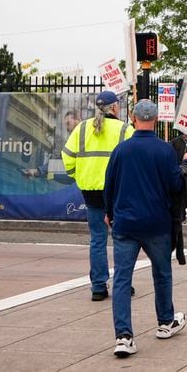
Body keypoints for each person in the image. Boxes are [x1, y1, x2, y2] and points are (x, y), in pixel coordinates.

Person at [103, 99, 187, 357]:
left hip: (126, 222)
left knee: (121, 278)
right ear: (155, 120)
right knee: (162, 273)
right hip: (156, 222)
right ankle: (165, 321)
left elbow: (109, 184)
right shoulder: (164, 151)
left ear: (133, 117)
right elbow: (175, 186)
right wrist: (186, 165)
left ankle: (124, 336)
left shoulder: (121, 150)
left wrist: (109, 212)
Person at [62, 91, 134, 301]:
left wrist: (79, 176)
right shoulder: (124, 129)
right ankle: (123, 283)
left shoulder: (82, 128)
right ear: (114, 108)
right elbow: (133, 159)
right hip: (118, 192)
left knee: (97, 239)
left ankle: (98, 286)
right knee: (122, 238)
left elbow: (67, 156)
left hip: (91, 190)